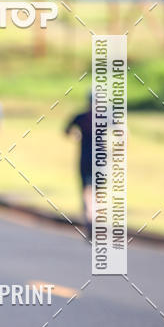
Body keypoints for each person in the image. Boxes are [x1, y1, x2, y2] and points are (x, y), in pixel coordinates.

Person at [65, 94, 93, 240]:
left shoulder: (81, 117)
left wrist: (77, 136)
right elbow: (124, 132)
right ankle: (96, 222)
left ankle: (89, 221)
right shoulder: (107, 117)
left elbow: (67, 131)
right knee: (99, 194)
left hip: (85, 158)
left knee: (86, 192)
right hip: (102, 160)